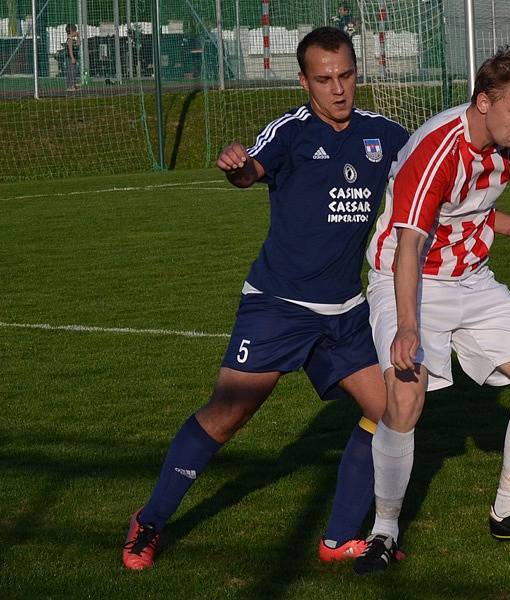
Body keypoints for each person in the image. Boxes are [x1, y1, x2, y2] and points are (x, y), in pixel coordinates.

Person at [122, 26, 409, 570]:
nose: (338, 89)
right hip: (278, 305)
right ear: (304, 81)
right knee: (227, 415)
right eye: (324, 79)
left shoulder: (384, 134)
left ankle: (339, 537)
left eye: (346, 75)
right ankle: (150, 521)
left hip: (347, 311)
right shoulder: (290, 133)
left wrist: (505, 218)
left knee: (390, 411)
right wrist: (239, 167)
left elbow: (429, 182)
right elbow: (252, 169)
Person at [353, 46, 510, 574]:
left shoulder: (502, 143)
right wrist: (408, 326)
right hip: (405, 277)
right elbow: (410, 241)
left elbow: (467, 207)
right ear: (483, 101)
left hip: (469, 278)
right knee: (404, 397)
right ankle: (384, 529)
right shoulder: (437, 148)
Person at [65, 24, 79, 91]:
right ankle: (71, 86)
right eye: (74, 31)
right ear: (71, 32)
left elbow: (79, 44)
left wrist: (78, 36)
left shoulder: (73, 40)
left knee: (74, 71)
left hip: (73, 58)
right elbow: (70, 50)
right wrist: (72, 58)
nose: (76, 32)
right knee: (71, 72)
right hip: (70, 58)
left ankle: (73, 85)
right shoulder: (69, 40)